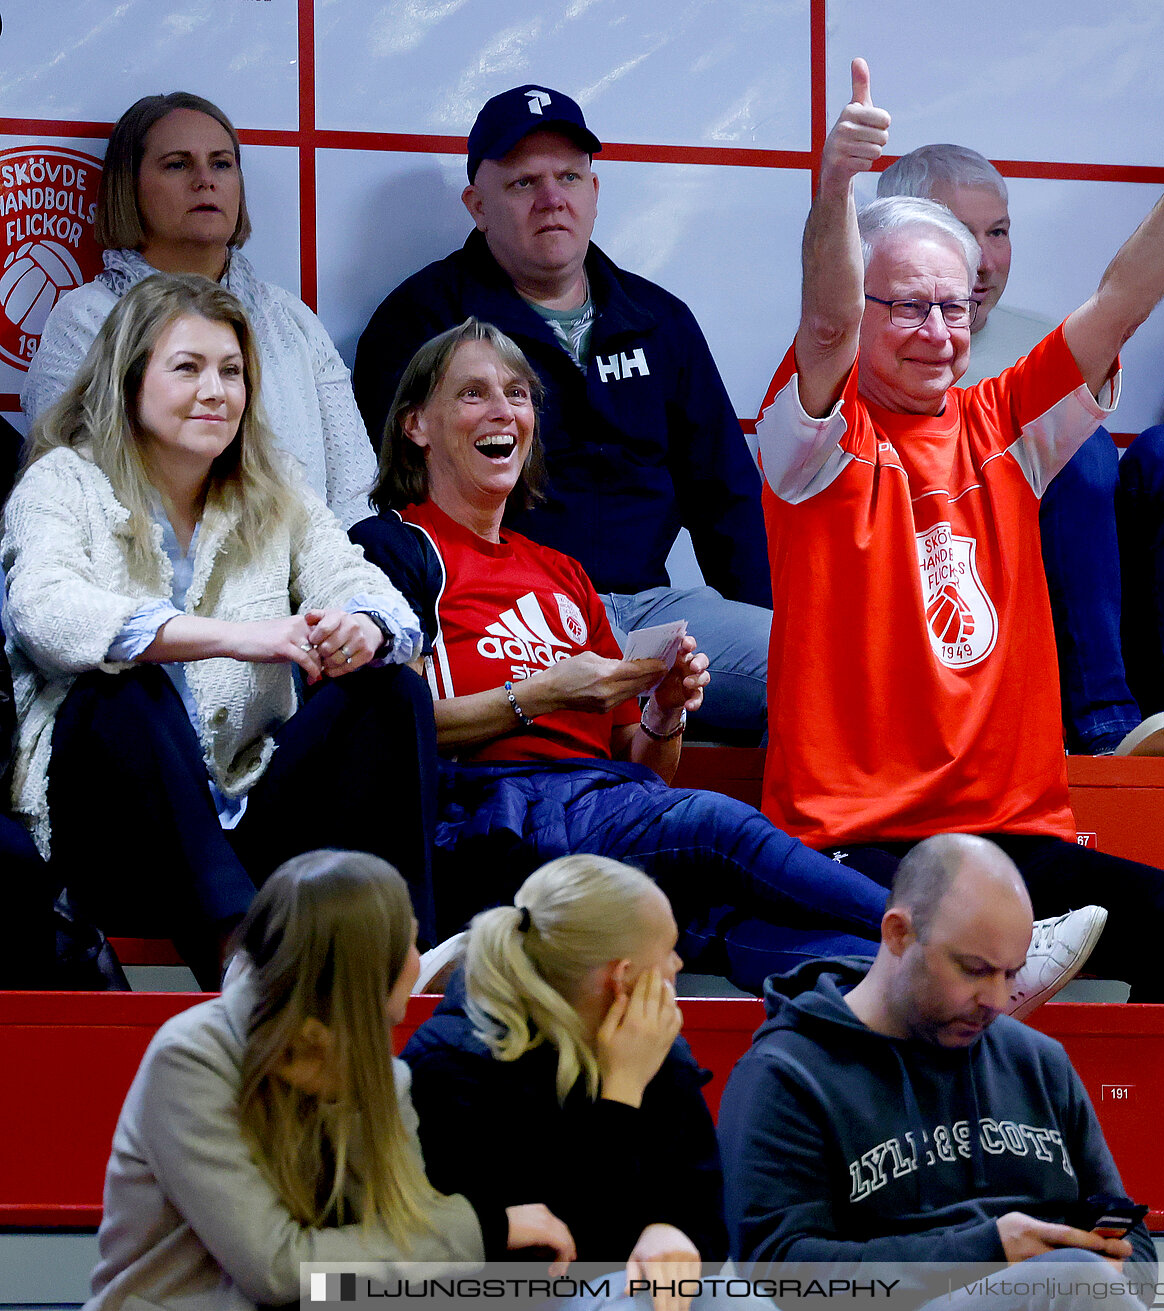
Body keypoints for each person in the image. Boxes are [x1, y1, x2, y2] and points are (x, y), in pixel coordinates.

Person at [752, 59, 1164, 1005]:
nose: (938, 330)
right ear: (863, 313)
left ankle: (1132, 1137)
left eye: (953, 306)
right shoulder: (812, 442)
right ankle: (989, 975)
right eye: (906, 305)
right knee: (944, 952)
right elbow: (824, 324)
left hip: (1013, 837)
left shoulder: (1002, 425)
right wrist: (835, 187)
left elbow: (1118, 304)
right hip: (856, 842)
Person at [351, 318, 1103, 1004]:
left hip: (599, 811)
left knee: (747, 929)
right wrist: (540, 694)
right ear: (415, 424)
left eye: (516, 394)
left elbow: (643, 770)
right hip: (493, 821)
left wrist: (664, 711)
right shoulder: (391, 546)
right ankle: (983, 943)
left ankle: (952, 989)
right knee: (717, 824)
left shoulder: (563, 571)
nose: (502, 411)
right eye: (472, 394)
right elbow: (395, 729)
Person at [2, 274, 435, 987]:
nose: (217, 391)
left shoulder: (276, 488)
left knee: (389, 690)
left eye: (232, 371)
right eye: (188, 368)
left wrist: (363, 626)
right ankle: (236, 955)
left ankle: (399, 951)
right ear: (129, 378)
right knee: (122, 692)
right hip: (109, 825)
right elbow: (46, 614)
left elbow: (370, 589)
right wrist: (237, 636)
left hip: (246, 798)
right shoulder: (63, 481)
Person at [879, 144, 1164, 761]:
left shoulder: (1040, 336)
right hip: (965, 588)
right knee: (1079, 451)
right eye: (958, 234)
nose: (982, 262)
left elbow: (1121, 299)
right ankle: (1102, 729)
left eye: (997, 233)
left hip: (1078, 581)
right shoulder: (878, 350)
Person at [354, 85, 771, 742]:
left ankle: (875, 849)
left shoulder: (659, 319)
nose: (552, 198)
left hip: (654, 610)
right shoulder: (423, 322)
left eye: (569, 177)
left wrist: (761, 615)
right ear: (477, 206)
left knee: (820, 670)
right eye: (523, 182)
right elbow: (394, 494)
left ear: (595, 192)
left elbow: (728, 497)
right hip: (506, 611)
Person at [85, 849, 575, 1311]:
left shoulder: (375, 1070)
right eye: (406, 939)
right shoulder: (191, 1058)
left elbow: (401, 1236)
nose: (418, 958)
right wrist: (486, 1229)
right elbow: (275, 1268)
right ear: (359, 974)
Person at [718, 835, 1151, 1311]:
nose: (996, 999)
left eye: (1011, 974)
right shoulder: (788, 1075)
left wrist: (1114, 1263)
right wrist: (985, 1253)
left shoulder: (1039, 1061)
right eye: (974, 969)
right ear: (898, 934)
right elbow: (778, 1270)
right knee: (1067, 1277)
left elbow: (1133, 1240)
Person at [23, 92, 375, 527]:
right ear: (127, 186)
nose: (206, 180)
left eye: (222, 163)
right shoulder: (85, 319)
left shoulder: (291, 318)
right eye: (178, 164)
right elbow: (71, 497)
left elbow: (355, 493)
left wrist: (332, 586)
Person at [404, 854, 727, 1294]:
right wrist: (622, 1095)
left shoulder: (655, 1044)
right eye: (669, 950)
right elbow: (560, 1259)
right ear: (621, 977)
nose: (678, 966)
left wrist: (674, 1231)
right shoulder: (451, 1067)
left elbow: (703, 1210)